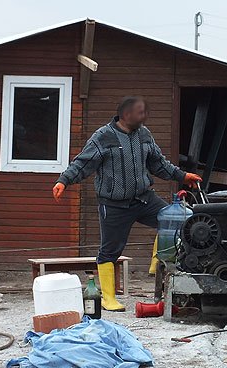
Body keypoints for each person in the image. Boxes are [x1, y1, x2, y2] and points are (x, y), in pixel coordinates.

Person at [52, 96, 201, 312]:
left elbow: (159, 164)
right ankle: (108, 298)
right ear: (125, 115)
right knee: (109, 250)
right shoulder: (103, 137)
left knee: (175, 219)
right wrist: (63, 181)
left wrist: (182, 175)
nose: (143, 116)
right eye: (139, 113)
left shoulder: (144, 135)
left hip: (143, 198)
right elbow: (82, 163)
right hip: (113, 205)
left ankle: (157, 264)